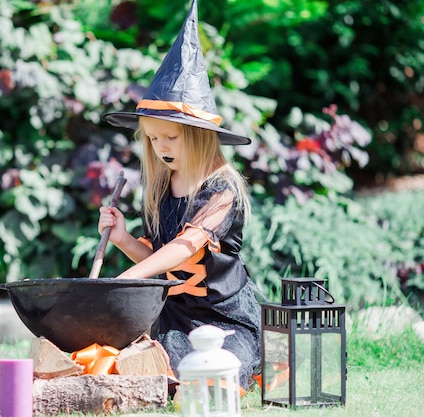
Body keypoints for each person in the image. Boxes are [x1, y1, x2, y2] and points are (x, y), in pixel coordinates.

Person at [99, 0, 262, 389]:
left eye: (171, 137)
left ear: (200, 135)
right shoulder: (159, 190)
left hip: (224, 317)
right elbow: (160, 260)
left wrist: (126, 280)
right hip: (175, 315)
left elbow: (185, 248)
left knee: (215, 371)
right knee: (162, 368)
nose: (160, 146)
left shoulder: (223, 190)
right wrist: (122, 239)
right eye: (153, 139)